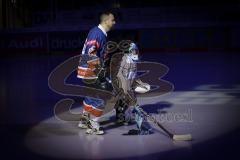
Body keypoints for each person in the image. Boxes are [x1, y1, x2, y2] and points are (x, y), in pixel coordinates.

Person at [77, 11, 116, 135]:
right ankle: (94, 124)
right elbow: (91, 53)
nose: (114, 22)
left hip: (89, 69)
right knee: (101, 96)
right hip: (90, 70)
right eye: (112, 20)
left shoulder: (100, 33)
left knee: (91, 95)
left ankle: (84, 120)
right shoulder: (97, 33)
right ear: (106, 21)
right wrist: (99, 71)